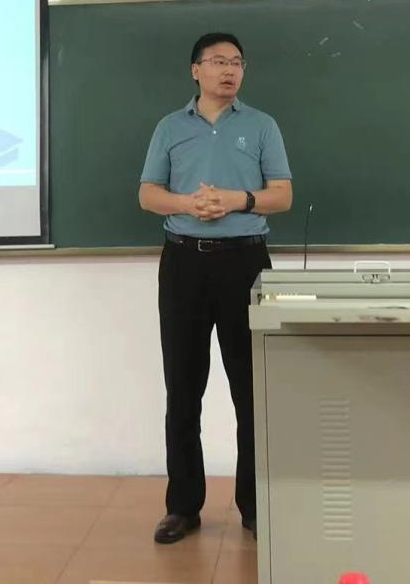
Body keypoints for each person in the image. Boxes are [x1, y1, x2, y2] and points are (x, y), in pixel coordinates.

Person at [138, 32, 293, 545]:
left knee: (252, 389)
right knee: (183, 389)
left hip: (245, 263)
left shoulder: (262, 125)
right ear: (196, 70)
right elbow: (148, 194)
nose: (229, 70)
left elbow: (282, 195)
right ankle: (182, 507)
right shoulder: (170, 127)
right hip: (183, 262)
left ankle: (255, 506)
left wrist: (236, 200)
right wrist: (188, 204)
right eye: (219, 61)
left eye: (237, 62)